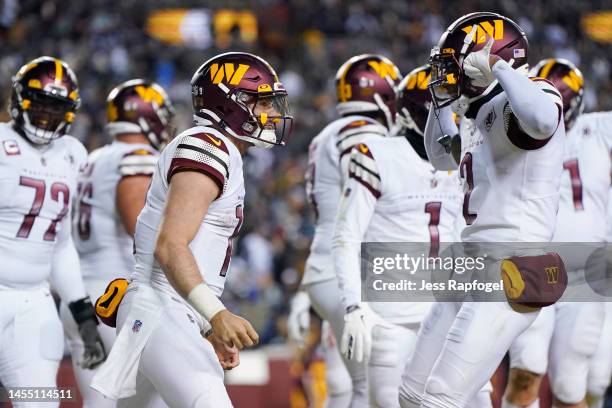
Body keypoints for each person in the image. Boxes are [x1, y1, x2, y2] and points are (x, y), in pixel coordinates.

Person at [90, 52, 293, 408]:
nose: (273, 114)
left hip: (164, 309)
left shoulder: (221, 149)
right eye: (262, 102)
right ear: (232, 103)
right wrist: (215, 313)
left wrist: (205, 325)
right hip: (159, 308)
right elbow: (169, 246)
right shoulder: (206, 146)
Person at [399, 12, 566, 407]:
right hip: (471, 263)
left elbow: (542, 121)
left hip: (511, 264)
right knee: (411, 393)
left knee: (440, 398)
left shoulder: (526, 96)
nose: (444, 74)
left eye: (453, 63)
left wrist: (498, 67)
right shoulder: (478, 112)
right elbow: (440, 156)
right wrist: (441, 107)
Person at [331, 64, 464, 408]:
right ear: (417, 113)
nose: (453, 119)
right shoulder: (377, 155)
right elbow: (347, 236)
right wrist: (353, 305)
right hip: (392, 319)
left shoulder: (463, 158)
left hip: (449, 310)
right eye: (444, 109)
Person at [290, 54, 402, 408]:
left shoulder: (327, 135)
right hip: (352, 271)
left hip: (328, 268)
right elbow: (367, 206)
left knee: (347, 383)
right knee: (371, 386)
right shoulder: (363, 136)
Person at [504, 59, 612, 408]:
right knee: (525, 372)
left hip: (586, 268)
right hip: (534, 262)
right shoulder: (515, 134)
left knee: (570, 386)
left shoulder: (598, 129)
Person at [61, 79, 174, 408]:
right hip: (117, 297)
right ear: (147, 116)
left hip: (81, 297)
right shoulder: (137, 156)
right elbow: (141, 229)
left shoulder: (94, 157)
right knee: (166, 394)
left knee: (103, 402)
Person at [0, 56, 105, 407]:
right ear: (19, 101)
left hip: (34, 303)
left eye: (56, 108)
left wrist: (81, 310)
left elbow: (60, 243)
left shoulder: (74, 155)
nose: (46, 116)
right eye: (40, 105)